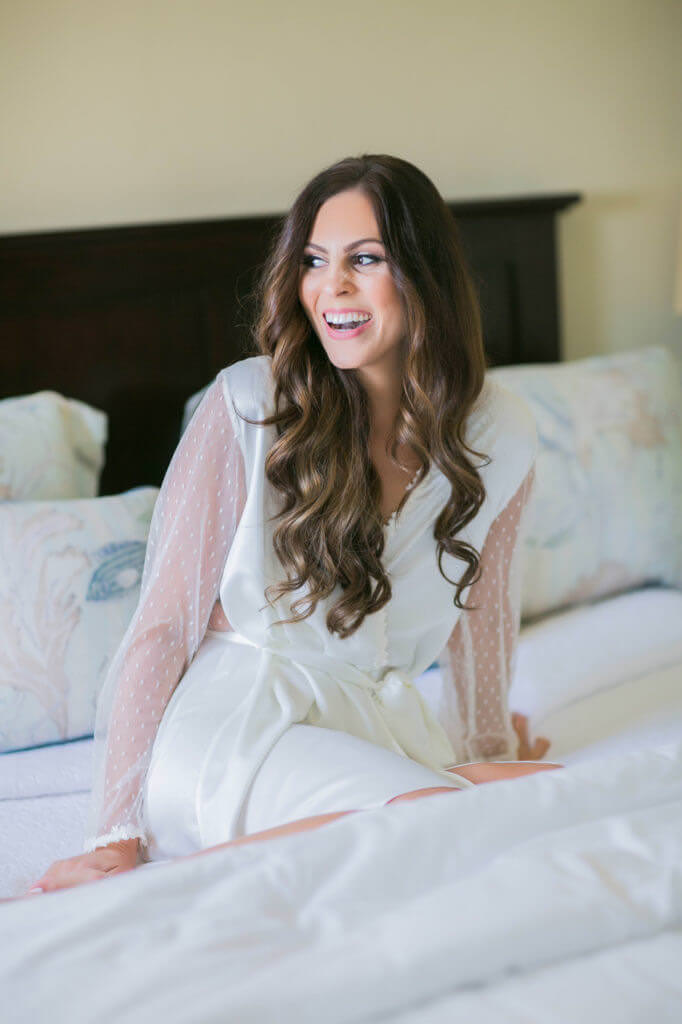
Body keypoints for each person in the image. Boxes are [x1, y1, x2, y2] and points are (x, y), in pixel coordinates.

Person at [25, 154, 560, 896]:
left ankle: (431, 793)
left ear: (426, 276)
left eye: (365, 259)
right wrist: (114, 837)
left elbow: (484, 616)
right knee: (443, 819)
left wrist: (491, 743)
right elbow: (162, 626)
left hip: (368, 728)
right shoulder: (250, 405)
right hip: (237, 723)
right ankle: (149, 889)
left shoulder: (500, 432)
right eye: (314, 260)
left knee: (555, 794)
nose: (331, 287)